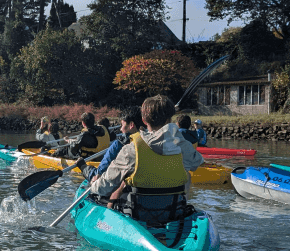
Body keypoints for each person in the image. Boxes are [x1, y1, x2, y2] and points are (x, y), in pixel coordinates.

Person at [84, 95, 204, 226]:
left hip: (137, 216)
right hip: (173, 212)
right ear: (170, 119)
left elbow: (102, 188)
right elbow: (196, 162)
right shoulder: (182, 146)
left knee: (106, 192)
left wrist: (93, 185)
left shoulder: (131, 150)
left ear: (144, 120)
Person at [89, 107, 145, 181]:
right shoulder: (151, 141)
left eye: (122, 125)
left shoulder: (119, 144)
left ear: (131, 125)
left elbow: (99, 173)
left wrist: (84, 167)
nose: (120, 129)